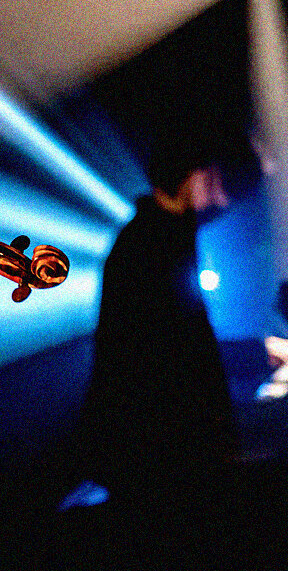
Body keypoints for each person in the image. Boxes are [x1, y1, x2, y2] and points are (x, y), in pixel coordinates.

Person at [69, 147, 239, 513]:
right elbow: (177, 345)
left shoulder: (160, 233)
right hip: (154, 434)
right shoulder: (150, 243)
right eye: (207, 179)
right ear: (186, 178)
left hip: (151, 430)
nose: (215, 192)